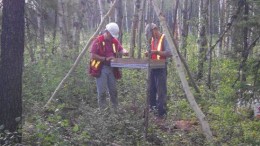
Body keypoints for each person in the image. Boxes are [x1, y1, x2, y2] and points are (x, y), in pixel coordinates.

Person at [89, 22, 128, 111]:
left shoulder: (114, 40)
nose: (112, 38)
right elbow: (93, 56)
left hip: (112, 69)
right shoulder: (97, 41)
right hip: (101, 68)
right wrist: (105, 59)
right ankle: (103, 111)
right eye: (111, 35)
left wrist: (125, 51)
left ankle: (115, 110)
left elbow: (121, 49)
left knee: (113, 91)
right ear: (107, 32)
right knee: (102, 92)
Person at [145, 23, 172, 118]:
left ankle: (162, 114)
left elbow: (169, 52)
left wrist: (156, 52)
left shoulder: (164, 38)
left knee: (161, 92)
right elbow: (152, 53)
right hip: (152, 68)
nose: (152, 36)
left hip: (161, 68)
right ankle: (153, 111)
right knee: (151, 90)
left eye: (152, 33)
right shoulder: (152, 39)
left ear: (155, 29)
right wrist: (148, 54)